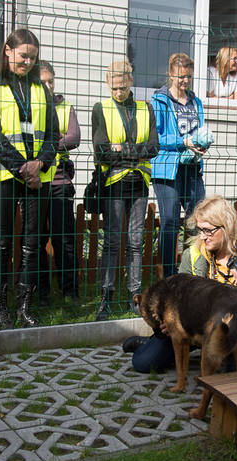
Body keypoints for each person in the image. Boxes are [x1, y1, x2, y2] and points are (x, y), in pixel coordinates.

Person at [124, 195, 237, 373]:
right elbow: (176, 298)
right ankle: (147, 343)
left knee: (229, 376)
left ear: (227, 227)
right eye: (200, 230)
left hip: (234, 332)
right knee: (142, 363)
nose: (202, 237)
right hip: (193, 330)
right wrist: (168, 323)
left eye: (208, 230)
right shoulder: (193, 254)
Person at [0, 29, 59, 329]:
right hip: (4, 174)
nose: (27, 62)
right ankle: (1, 309)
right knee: (2, 243)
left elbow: (53, 134)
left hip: (37, 177)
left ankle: (23, 308)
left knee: (32, 243)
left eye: (33, 57)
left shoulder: (41, 89)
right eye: (23, 55)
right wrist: (22, 168)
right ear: (7, 51)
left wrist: (40, 165)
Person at [92, 60, 159, 321]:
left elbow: (154, 147)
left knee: (135, 242)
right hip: (114, 183)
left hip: (139, 183)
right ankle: (105, 297)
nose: (118, 92)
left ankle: (134, 296)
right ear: (109, 85)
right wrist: (132, 152)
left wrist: (123, 149)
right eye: (114, 88)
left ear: (131, 82)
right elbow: (101, 151)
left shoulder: (146, 108)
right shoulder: (102, 109)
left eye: (122, 87)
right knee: (111, 241)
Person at [151, 53, 207, 278]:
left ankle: (191, 270)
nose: (185, 81)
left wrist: (202, 143)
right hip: (167, 168)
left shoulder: (195, 101)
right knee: (171, 221)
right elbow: (157, 138)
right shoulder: (160, 101)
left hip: (192, 167)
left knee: (197, 220)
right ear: (171, 74)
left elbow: (199, 130)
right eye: (180, 76)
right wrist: (184, 142)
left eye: (188, 77)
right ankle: (169, 274)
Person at [36, 61, 81, 306]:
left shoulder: (65, 106)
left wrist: (45, 144)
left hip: (60, 181)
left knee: (64, 239)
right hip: (35, 183)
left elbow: (74, 137)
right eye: (43, 81)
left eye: (51, 80)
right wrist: (55, 141)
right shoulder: (29, 106)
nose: (48, 85)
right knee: (37, 240)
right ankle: (41, 294)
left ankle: (69, 291)